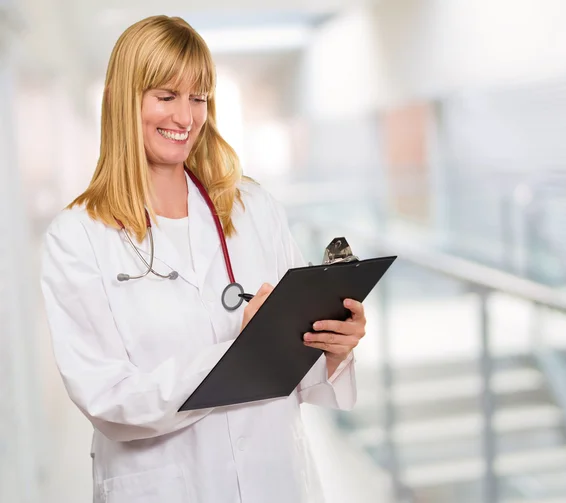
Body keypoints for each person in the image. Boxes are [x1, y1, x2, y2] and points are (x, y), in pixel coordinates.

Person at [40, 15, 366, 503]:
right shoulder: (78, 237)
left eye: (198, 98)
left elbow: (301, 371)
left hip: (273, 481)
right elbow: (107, 399)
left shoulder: (254, 208)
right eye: (166, 96)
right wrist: (241, 352)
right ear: (122, 100)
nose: (186, 118)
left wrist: (334, 347)